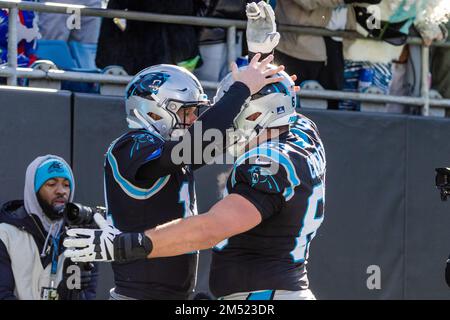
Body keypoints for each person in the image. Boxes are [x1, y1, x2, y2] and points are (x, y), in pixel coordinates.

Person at [0, 155, 97, 300]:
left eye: (66, 184)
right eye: (51, 184)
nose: (61, 191)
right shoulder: (6, 233)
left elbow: (88, 296)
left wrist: (70, 291)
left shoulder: (82, 238)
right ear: (34, 190)